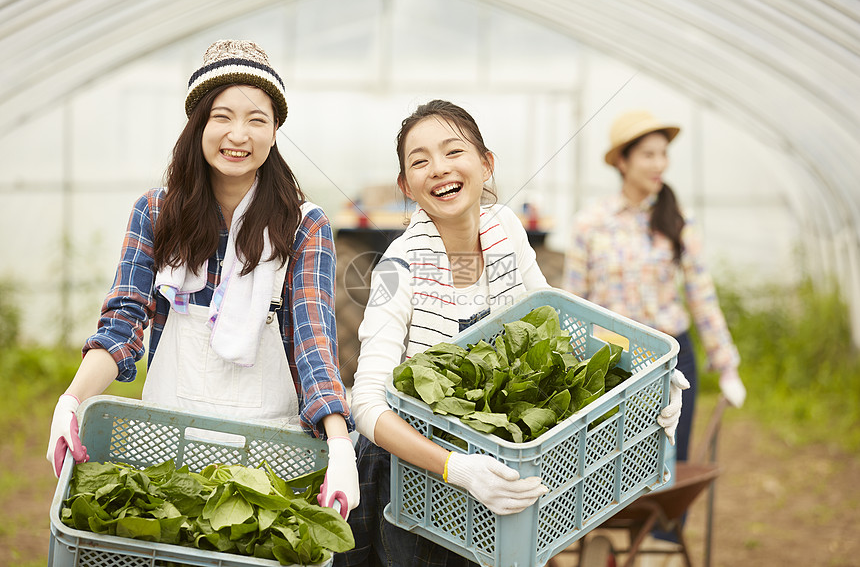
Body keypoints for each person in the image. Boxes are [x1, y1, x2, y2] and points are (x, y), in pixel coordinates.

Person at [336, 101, 686, 567]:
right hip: (413, 482)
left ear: (486, 163)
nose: (438, 169)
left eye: (453, 151)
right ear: (406, 186)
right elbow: (368, 406)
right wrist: (454, 466)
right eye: (419, 161)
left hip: (499, 475)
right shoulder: (397, 269)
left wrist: (644, 386)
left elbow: (556, 331)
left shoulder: (507, 232)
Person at [45, 40, 359, 519]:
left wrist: (339, 446)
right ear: (198, 126)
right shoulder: (156, 212)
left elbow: (312, 342)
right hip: (168, 436)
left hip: (268, 450)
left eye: (258, 119)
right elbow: (124, 323)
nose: (239, 134)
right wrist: (71, 401)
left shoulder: (303, 224)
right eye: (222, 116)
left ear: (275, 132)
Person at [563, 109, 746, 464]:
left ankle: (667, 523)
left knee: (671, 460)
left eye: (663, 154)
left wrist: (727, 366)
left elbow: (701, 296)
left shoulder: (678, 220)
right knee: (613, 464)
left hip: (672, 358)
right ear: (622, 161)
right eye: (648, 154)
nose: (659, 163)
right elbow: (574, 302)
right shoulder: (591, 224)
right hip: (612, 360)